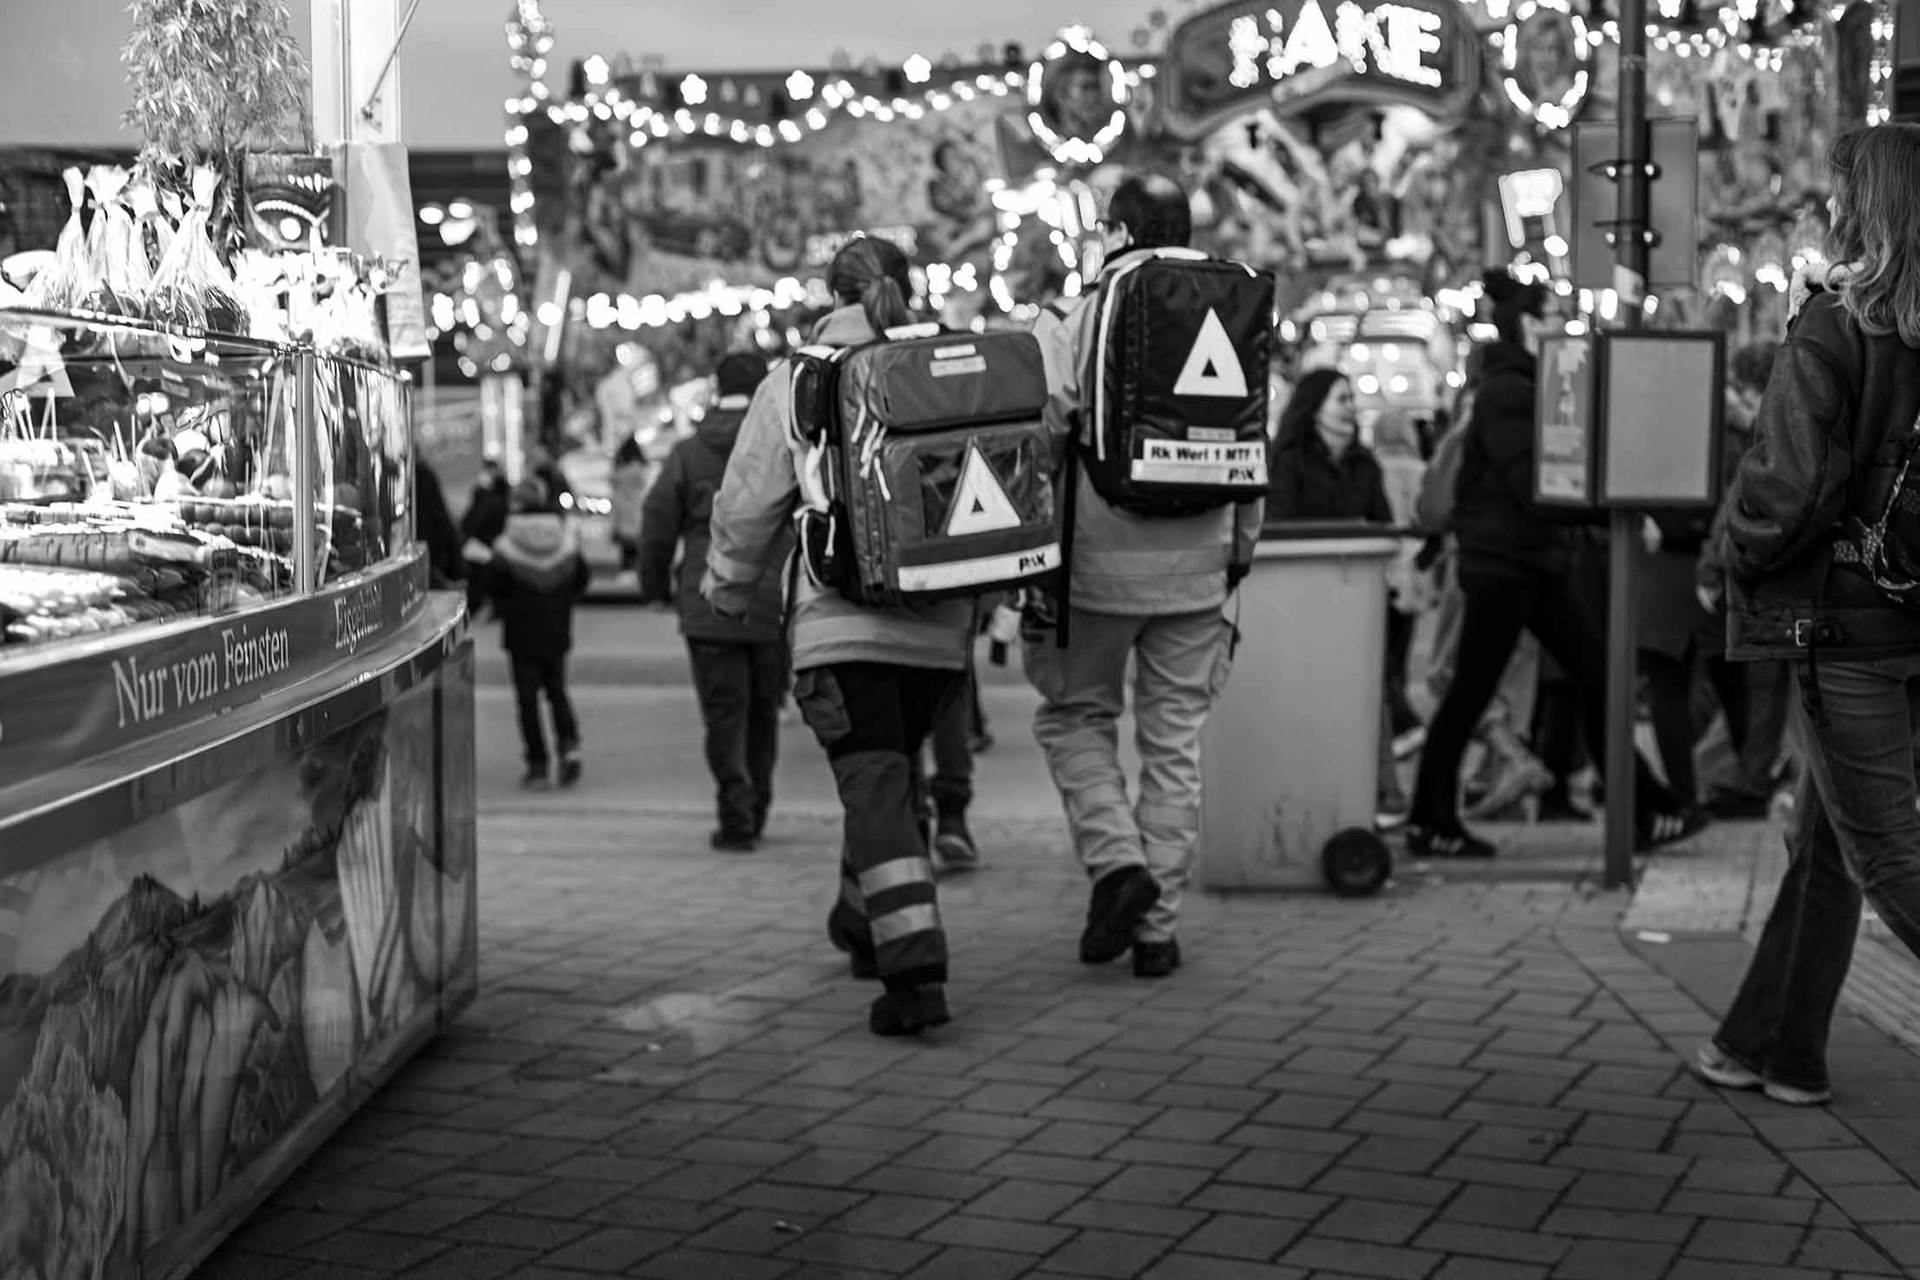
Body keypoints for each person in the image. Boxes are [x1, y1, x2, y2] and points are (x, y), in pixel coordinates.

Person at [1698, 125, 1920, 1107]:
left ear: (1861, 209)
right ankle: (1774, 1043)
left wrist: (1732, 556)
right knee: (1827, 832)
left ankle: (1772, 1045)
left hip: (1849, 626)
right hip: (1915, 617)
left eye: (1836, 195)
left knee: (1884, 855)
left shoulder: (1836, 328)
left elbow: (1786, 491)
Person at [705, 236, 973, 1038]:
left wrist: (726, 587)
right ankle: (861, 922)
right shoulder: (947, 367)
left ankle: (914, 970)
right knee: (889, 782)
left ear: (832, 293)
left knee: (879, 789)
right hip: (937, 633)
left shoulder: (797, 381)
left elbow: (749, 501)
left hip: (841, 631)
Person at [1028, 173, 1263, 979]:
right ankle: (1157, 930)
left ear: (1117, 232)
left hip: (1094, 568)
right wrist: (1238, 554)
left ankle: (1118, 865)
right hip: (1202, 571)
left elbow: (1041, 431)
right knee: (1174, 748)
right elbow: (1247, 447)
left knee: (1075, 719)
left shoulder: (1075, 314)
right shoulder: (1234, 306)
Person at [1406, 271, 1701, 859]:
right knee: (1473, 691)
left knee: (1595, 678)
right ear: (1528, 324)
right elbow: (1534, 486)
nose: (1561, 327)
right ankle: (1430, 820)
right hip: (1505, 564)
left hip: (1531, 560)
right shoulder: (1509, 391)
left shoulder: (1523, 385)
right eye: (1550, 317)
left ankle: (1646, 805)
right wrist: (1611, 512)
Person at [639, 351, 788, 852]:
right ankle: (759, 804)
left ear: (717, 389)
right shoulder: (780, 446)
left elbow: (657, 526)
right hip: (771, 599)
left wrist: (656, 588)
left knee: (724, 714)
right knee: (764, 710)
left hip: (707, 599)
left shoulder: (687, 454)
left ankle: (735, 809)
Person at [1264, 369, 1405, 826]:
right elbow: (1278, 524)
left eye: (1351, 398)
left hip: (1358, 600)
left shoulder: (1365, 464)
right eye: (1341, 398)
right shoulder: (1289, 460)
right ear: (1315, 405)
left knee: (1368, 691)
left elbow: (1382, 522)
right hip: (1305, 600)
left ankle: (1380, 789)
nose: (1351, 406)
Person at [475, 478, 590, 790]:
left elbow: (494, 585)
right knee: (557, 690)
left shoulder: (507, 544)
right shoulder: (564, 538)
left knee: (527, 701)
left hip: (521, 634)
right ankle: (569, 746)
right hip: (556, 629)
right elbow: (581, 579)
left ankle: (538, 766)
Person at [610, 433, 650, 577]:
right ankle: (635, 568)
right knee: (635, 539)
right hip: (635, 506)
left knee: (626, 541)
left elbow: (613, 481)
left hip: (622, 507)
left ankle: (627, 568)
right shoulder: (638, 468)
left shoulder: (621, 468)